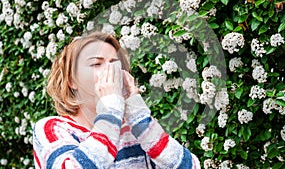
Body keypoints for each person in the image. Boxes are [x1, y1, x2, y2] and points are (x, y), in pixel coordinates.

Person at [33, 31, 201, 169]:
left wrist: (138, 112)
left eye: (114, 63)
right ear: (72, 80)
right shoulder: (52, 128)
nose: (110, 71)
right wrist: (110, 109)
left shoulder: (135, 131)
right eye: (96, 64)